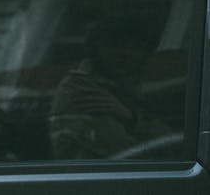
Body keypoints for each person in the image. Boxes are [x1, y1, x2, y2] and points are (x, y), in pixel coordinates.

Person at [49, 12, 175, 160]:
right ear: (96, 47)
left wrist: (131, 118)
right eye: (116, 45)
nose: (126, 53)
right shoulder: (80, 89)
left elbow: (174, 145)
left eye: (136, 48)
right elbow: (126, 155)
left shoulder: (138, 87)